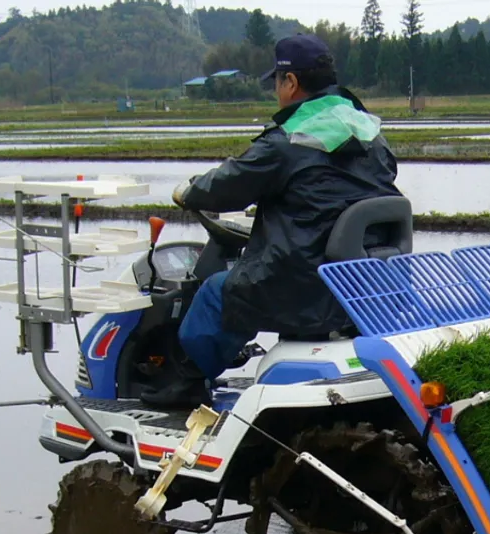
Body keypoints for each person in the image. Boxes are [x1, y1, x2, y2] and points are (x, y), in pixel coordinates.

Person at [143, 34, 402, 408]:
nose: (276, 92)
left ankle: (188, 381)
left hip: (304, 285)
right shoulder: (373, 137)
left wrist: (190, 191)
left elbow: (226, 187)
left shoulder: (289, 140)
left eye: (277, 83)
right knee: (245, 281)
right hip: (363, 283)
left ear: (291, 82)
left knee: (216, 294)